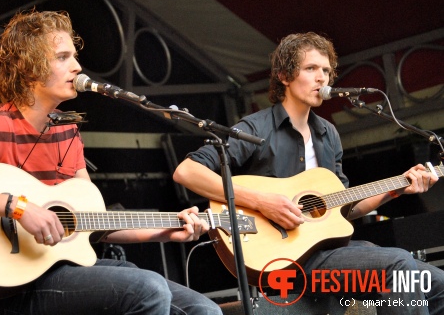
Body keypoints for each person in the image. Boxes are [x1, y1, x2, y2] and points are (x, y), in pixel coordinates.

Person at [0, 10, 222, 315]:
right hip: (20, 289)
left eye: (74, 57)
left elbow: (94, 222)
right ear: (28, 68)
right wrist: (17, 207)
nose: (77, 67)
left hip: (71, 269)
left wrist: (166, 229)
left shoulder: (67, 131)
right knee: (148, 288)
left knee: (203, 310)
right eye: (62, 57)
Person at [173, 32, 444, 314]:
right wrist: (261, 202)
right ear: (284, 76)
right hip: (289, 264)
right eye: (311, 68)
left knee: (438, 284)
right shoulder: (256, 128)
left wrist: (396, 189)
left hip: (335, 256)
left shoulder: (328, 134)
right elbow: (187, 171)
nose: (322, 78)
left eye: (326, 71)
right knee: (398, 264)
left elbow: (343, 210)